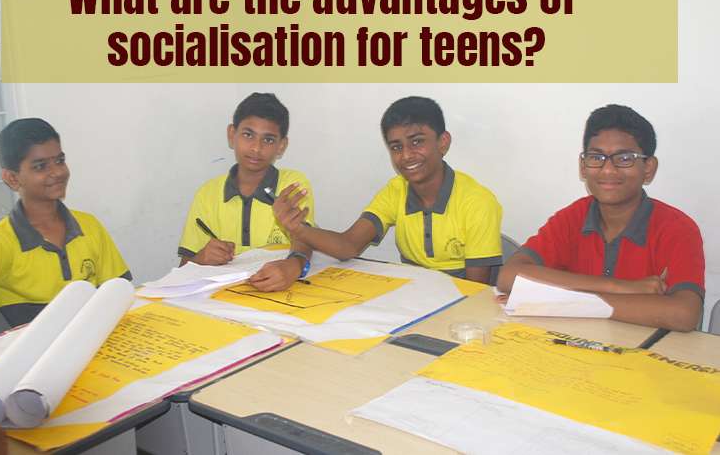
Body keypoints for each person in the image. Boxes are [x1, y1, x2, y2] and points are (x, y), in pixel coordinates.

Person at [497, 104, 704, 331]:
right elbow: (509, 277)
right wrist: (622, 287)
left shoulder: (676, 228)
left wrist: (562, 302)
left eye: (624, 158)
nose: (607, 170)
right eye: (596, 157)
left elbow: (684, 315)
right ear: (583, 167)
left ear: (648, 168)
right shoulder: (573, 217)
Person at [272, 96, 502, 283]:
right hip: (411, 298)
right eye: (396, 147)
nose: (406, 155)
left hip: (459, 306)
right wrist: (299, 229)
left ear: (443, 142)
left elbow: (474, 293)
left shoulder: (478, 202)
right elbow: (348, 246)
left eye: (417, 141)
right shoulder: (396, 191)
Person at [0, 118, 131, 340]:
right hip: (39, 360)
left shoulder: (89, 226)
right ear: (12, 178)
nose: (57, 172)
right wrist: (5, 348)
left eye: (59, 160)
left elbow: (119, 294)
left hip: (99, 344)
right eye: (40, 166)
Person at [178, 93, 314, 292]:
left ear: (281, 146)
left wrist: (293, 266)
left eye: (268, 140)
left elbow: (306, 240)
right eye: (248, 135)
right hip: (223, 299)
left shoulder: (292, 185)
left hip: (280, 294)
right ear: (232, 135)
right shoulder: (207, 194)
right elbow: (184, 269)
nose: (256, 148)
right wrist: (202, 259)